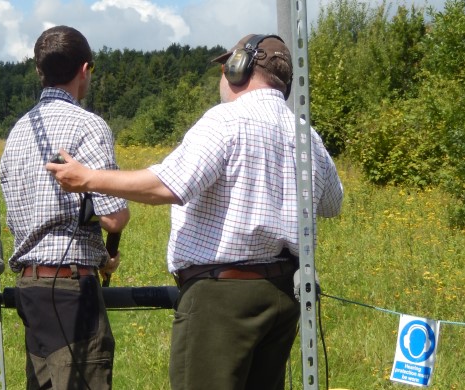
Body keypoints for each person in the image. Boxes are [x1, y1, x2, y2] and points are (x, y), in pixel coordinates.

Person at [46, 33, 343, 390]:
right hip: (282, 295)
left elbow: (167, 186)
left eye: (224, 68)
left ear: (239, 70)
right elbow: (332, 203)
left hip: (221, 298)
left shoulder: (225, 121)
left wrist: (88, 178)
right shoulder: (306, 133)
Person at [0, 25, 130, 390]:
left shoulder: (18, 132)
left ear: (40, 71)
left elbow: (23, 222)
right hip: (70, 291)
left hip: (30, 288)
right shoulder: (88, 126)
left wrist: (101, 258)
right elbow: (115, 216)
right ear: (84, 70)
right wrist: (108, 245)